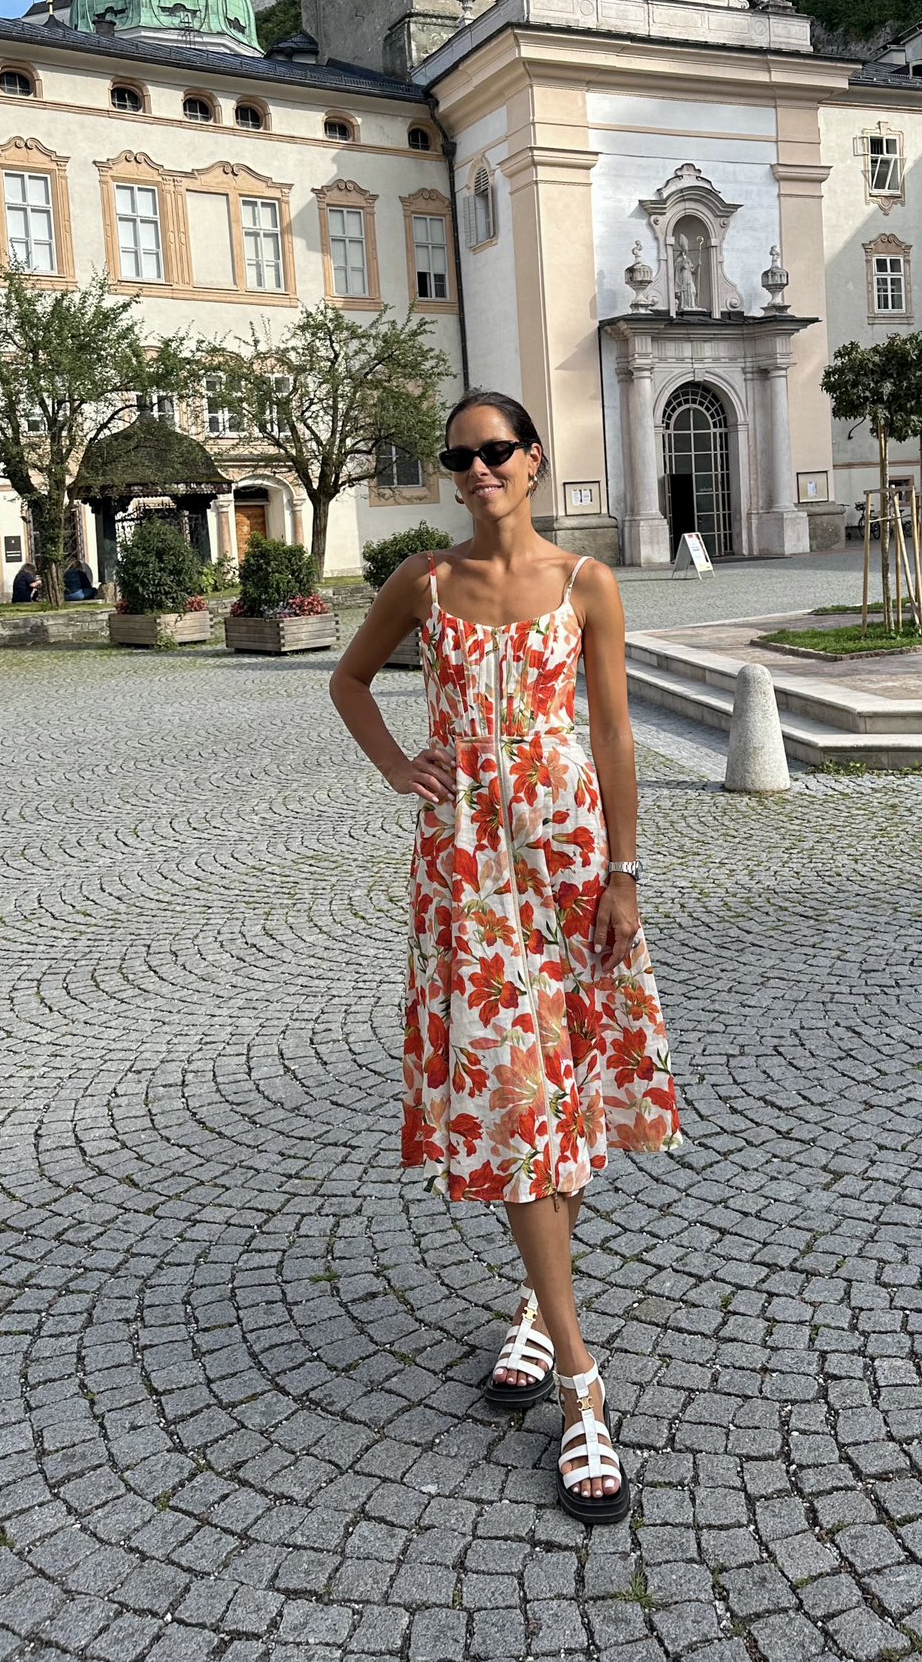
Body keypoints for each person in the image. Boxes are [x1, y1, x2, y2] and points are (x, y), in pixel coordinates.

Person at [329, 388, 682, 1525]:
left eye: (495, 451)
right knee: (517, 1094)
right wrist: (400, 766)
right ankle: (582, 1382)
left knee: (565, 1087)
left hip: (568, 853)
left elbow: (614, 729)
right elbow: (346, 679)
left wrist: (625, 874)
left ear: (533, 460)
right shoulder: (424, 582)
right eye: (459, 458)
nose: (477, 469)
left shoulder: (587, 582)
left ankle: (537, 1310)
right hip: (466, 867)